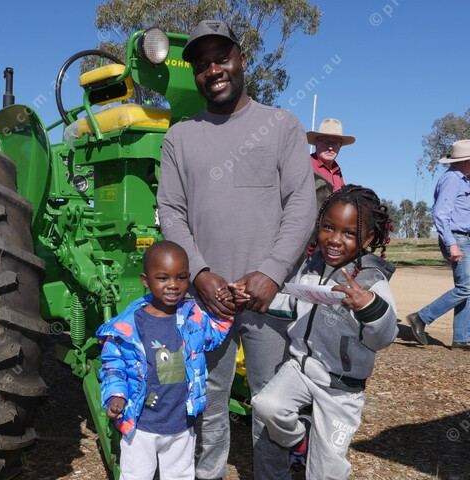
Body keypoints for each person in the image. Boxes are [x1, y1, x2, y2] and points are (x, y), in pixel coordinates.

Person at [157, 19, 316, 480]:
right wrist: (200, 274)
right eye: (202, 64)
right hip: (205, 300)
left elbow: (301, 204)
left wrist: (271, 271)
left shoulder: (281, 125)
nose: (213, 70)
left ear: (241, 60)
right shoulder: (180, 136)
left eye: (221, 58)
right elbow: (171, 212)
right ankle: (207, 474)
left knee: (271, 402)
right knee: (206, 399)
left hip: (270, 298)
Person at [244, 185, 398, 479]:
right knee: (266, 405)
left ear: (367, 238)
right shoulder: (311, 266)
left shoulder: (371, 282)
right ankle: (299, 440)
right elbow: (293, 302)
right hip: (300, 369)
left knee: (326, 469)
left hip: (341, 387)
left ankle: (318, 457)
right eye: (328, 227)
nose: (335, 239)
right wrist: (256, 298)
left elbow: (383, 337)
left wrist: (368, 307)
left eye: (349, 233)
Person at [96, 241, 234, 480]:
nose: (173, 285)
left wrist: (230, 307)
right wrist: (116, 395)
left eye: (181, 277)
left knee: (180, 475)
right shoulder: (128, 327)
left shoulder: (192, 317)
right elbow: (113, 366)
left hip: (181, 423)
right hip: (141, 425)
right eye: (162, 278)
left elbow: (213, 334)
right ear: (145, 280)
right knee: (136, 476)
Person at [407, 139, 470, 351]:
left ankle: (462, 339)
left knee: (467, 288)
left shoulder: (463, 180)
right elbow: (440, 214)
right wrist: (451, 244)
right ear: (467, 161)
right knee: (466, 287)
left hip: (463, 238)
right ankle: (421, 317)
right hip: (457, 238)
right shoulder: (452, 179)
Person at [307, 118, 356, 210]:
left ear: (340, 146)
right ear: (316, 143)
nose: (330, 147)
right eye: (326, 142)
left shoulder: (337, 171)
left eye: (335, 143)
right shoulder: (306, 165)